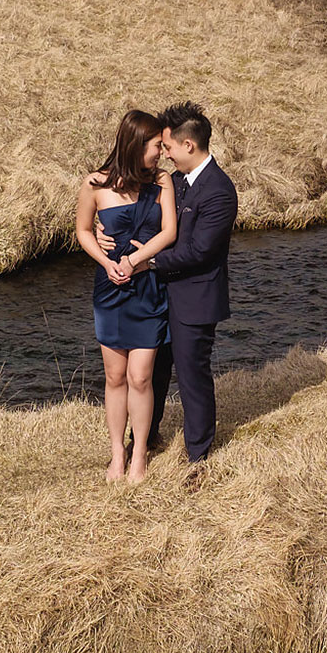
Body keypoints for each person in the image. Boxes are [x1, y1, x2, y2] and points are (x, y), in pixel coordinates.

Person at [99, 102, 238, 482]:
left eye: (168, 146)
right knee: (151, 373)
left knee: (192, 375)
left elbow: (200, 251)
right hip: (156, 296)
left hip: (195, 298)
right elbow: (140, 214)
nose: (164, 153)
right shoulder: (173, 181)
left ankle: (197, 455)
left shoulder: (219, 191)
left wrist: (149, 263)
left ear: (188, 145)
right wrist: (103, 230)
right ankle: (145, 439)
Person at [76, 110, 177, 483]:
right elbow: (82, 231)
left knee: (141, 376)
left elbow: (169, 232)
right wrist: (105, 261)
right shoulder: (95, 184)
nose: (161, 153)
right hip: (110, 290)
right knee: (115, 375)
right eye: (156, 146)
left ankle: (139, 456)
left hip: (147, 288)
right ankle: (117, 454)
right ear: (136, 145)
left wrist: (134, 260)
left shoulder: (162, 181)